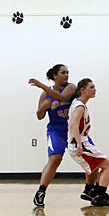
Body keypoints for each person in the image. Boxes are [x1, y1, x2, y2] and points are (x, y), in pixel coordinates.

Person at [29, 65, 77, 207]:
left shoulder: (71, 87)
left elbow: (62, 97)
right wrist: (44, 106)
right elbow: (39, 116)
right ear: (55, 76)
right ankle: (41, 191)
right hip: (56, 130)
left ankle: (92, 189)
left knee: (87, 156)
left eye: (68, 72)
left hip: (73, 129)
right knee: (55, 159)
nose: (67, 75)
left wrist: (41, 85)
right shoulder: (45, 94)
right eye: (63, 73)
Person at [67, 79, 109, 207]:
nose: (95, 90)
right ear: (82, 90)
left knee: (94, 167)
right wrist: (78, 143)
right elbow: (74, 124)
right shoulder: (79, 106)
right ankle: (99, 195)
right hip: (79, 144)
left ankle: (90, 191)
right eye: (92, 87)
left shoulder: (78, 103)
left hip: (81, 142)